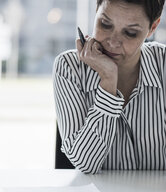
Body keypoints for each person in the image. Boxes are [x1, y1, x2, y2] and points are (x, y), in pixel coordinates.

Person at [53, 0, 166, 174]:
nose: (113, 42)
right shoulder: (69, 68)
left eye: (130, 33)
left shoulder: (163, 65)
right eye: (105, 24)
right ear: (97, 11)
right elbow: (85, 164)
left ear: (152, 27)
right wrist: (108, 81)